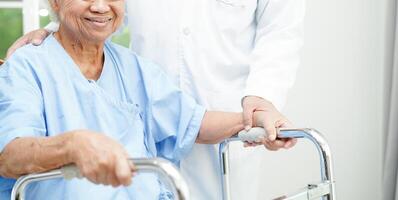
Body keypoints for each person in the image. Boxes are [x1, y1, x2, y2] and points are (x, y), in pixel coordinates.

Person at [6, 0, 304, 199]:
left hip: (215, 144)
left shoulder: (134, 70)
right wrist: (72, 145)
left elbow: (194, 122)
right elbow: (9, 156)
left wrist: (256, 116)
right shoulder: (29, 66)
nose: (99, 5)